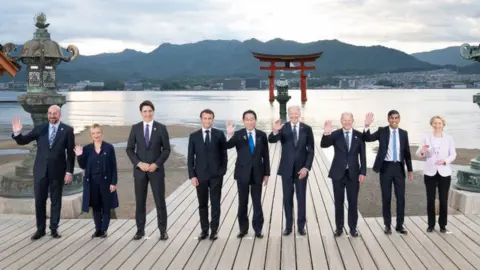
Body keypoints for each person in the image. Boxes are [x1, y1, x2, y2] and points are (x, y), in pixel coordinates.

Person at [11, 105, 75, 240]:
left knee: (56, 201)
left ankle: (54, 229)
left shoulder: (67, 130)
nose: (52, 116)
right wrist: (17, 133)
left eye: (55, 114)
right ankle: (40, 230)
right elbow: (24, 140)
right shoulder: (40, 129)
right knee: (39, 201)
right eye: (50, 113)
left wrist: (69, 172)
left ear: (60, 115)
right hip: (40, 171)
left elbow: (70, 154)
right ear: (47, 115)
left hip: (58, 171)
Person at [126, 100, 171, 241]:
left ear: (153, 111)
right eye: (145, 111)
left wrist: (156, 164)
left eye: (150, 111)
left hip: (156, 171)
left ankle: (163, 231)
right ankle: (140, 230)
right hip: (140, 172)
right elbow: (129, 149)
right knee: (140, 202)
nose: (147, 114)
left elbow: (166, 149)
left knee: (160, 202)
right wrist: (139, 163)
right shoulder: (135, 128)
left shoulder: (161, 128)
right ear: (141, 113)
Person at [363, 110, 413, 234]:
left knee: (401, 198)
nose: (394, 120)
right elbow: (367, 138)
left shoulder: (403, 133)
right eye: (392, 118)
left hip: (399, 169)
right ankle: (387, 225)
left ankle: (399, 225)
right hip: (386, 168)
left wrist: (410, 170)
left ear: (399, 119)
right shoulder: (382, 131)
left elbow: (407, 153)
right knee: (386, 197)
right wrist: (367, 126)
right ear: (388, 119)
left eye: (396, 118)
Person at [268, 105, 314, 236]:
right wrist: (275, 131)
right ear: (288, 114)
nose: (293, 116)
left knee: (301, 198)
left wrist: (306, 167)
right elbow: (271, 140)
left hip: (301, 170)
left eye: (296, 113)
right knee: (287, 198)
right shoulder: (283, 128)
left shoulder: (307, 129)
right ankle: (288, 226)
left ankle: (301, 226)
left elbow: (311, 151)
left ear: (299, 113)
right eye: (291, 113)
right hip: (286, 170)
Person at [226, 110, 270, 238]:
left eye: (252, 119)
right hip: (242, 173)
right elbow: (227, 146)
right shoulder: (238, 134)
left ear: (255, 120)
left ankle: (258, 229)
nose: (250, 122)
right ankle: (243, 229)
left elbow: (266, 156)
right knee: (242, 202)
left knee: (257, 202)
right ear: (243, 121)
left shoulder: (262, 135)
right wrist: (229, 134)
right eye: (247, 119)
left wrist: (266, 173)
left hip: (258, 173)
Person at [321, 112, 366, 237]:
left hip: (353, 174)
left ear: (353, 121)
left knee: (353, 202)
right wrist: (326, 133)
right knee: (339, 202)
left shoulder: (359, 135)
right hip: (338, 173)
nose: (347, 122)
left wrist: (363, 171)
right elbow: (323, 145)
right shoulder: (335, 134)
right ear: (341, 121)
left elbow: (362, 155)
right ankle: (339, 228)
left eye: (349, 120)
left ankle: (353, 228)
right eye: (344, 120)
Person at [187, 109, 228, 241]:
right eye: (205, 118)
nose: (207, 121)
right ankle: (204, 230)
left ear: (213, 119)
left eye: (210, 118)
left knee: (215, 203)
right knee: (202, 204)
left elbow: (224, 155)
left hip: (216, 175)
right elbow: (190, 159)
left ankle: (214, 231)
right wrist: (192, 175)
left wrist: (222, 171)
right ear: (201, 119)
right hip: (200, 176)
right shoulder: (194, 136)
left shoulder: (219, 134)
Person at [75, 124, 119, 238]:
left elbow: (114, 167)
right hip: (92, 183)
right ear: (91, 135)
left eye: (98, 132)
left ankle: (104, 230)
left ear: (101, 133)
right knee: (96, 207)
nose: (96, 135)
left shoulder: (109, 148)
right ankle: (98, 229)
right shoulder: (87, 149)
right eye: (93, 133)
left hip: (105, 182)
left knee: (106, 206)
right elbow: (83, 165)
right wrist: (79, 156)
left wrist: (113, 183)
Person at [415, 116, 456, 233]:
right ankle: (431, 225)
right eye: (435, 123)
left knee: (443, 199)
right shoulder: (426, 138)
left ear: (443, 124)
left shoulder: (449, 138)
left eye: (439, 123)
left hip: (444, 172)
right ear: (431, 125)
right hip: (430, 172)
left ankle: (442, 225)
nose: (437, 125)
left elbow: (453, 155)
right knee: (430, 199)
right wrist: (422, 151)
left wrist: (445, 161)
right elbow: (418, 154)